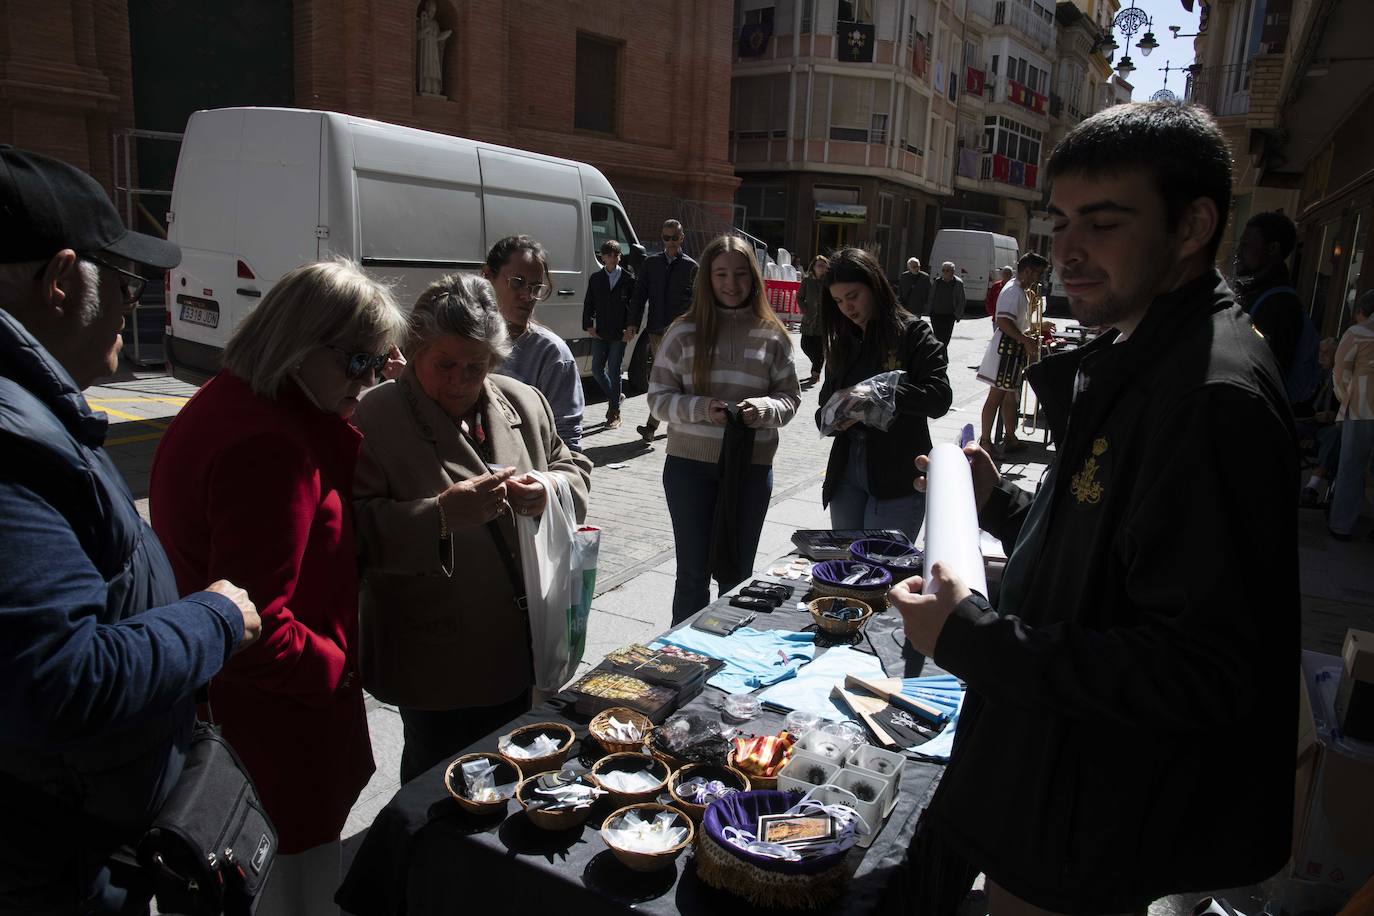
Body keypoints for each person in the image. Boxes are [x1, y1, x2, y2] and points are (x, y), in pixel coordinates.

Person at [892, 102, 1297, 914]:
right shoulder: (1140, 345)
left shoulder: (1209, 394)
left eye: (1103, 223)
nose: (1067, 251)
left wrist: (972, 638)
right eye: (1062, 220)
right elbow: (1111, 536)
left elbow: (1201, 671)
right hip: (1048, 785)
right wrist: (1000, 501)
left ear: (1192, 226)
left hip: (1089, 814)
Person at [0, 146, 261, 915]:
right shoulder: (11, 448)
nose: (132, 303)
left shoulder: (33, 412)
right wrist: (211, 619)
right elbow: (61, 678)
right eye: (126, 282)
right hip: (57, 866)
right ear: (60, 281)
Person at [150, 259, 406, 915]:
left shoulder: (241, 402)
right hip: (276, 739)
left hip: (255, 720)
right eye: (359, 362)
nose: (373, 379)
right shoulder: (268, 444)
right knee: (296, 894)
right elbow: (255, 625)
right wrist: (337, 668)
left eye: (382, 362)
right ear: (300, 345)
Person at [352, 274, 592, 782]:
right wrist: (438, 516)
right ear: (414, 350)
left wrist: (547, 489)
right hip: (436, 657)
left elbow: (573, 470)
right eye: (445, 365)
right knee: (435, 779)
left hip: (522, 645)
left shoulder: (522, 402)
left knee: (510, 770)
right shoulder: (375, 417)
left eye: (476, 366)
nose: (461, 380)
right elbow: (353, 528)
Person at [648, 235, 800, 623]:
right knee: (692, 575)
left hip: (750, 468)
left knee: (737, 575)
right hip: (689, 467)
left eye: (739, 274)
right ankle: (680, 660)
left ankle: (727, 655)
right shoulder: (683, 332)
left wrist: (763, 408)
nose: (731, 283)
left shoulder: (774, 335)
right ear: (707, 279)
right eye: (720, 274)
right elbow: (657, 399)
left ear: (753, 278)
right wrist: (702, 408)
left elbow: (789, 399)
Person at [818, 248, 952, 542]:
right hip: (846, 472)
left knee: (882, 571)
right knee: (846, 567)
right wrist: (837, 415)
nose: (847, 308)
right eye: (839, 301)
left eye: (853, 296)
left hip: (897, 471)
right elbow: (822, 412)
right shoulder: (843, 342)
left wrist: (881, 394)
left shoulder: (913, 333)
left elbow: (939, 397)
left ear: (875, 286)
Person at [485, 235, 584, 451]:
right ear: (487, 276)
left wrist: (545, 483)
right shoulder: (464, 340)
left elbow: (567, 444)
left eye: (536, 287)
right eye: (518, 283)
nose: (528, 296)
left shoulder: (551, 355)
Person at [975, 253, 1050, 455]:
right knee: (996, 397)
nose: (1038, 279)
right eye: (1037, 274)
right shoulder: (1013, 291)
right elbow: (1003, 321)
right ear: (1027, 271)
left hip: (1012, 349)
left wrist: (1035, 328)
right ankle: (985, 441)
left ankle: (1010, 437)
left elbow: (1017, 322)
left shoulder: (1020, 291)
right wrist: (1025, 340)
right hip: (1005, 350)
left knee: (1010, 397)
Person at [631, 219, 698, 442]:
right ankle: (663, 421)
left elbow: (698, 303)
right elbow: (639, 296)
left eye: (674, 237)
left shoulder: (691, 267)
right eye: (666, 238)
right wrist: (632, 323)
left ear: (682, 238)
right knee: (664, 378)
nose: (670, 242)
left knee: (668, 378)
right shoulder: (651, 264)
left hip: (680, 334)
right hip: (656, 330)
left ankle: (653, 425)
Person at [1235, 210, 1304, 380]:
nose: (1238, 253)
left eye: (1246, 245)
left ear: (1272, 248)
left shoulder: (1278, 305)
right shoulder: (1261, 293)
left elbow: (1261, 375)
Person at [1328, 290, 1374, 540]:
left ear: (1361, 311)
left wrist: (1345, 397)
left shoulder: (1357, 332)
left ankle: (1341, 525)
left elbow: (1341, 370)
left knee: (1351, 465)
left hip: (1361, 406)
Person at [583, 238, 636, 428]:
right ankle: (616, 396)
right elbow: (589, 303)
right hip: (600, 332)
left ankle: (614, 414)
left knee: (614, 371)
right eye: (609, 255)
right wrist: (588, 325)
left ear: (619, 257)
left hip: (620, 333)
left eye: (616, 255)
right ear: (603, 257)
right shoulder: (596, 279)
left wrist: (631, 328)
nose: (612, 258)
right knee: (597, 369)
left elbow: (634, 308)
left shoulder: (628, 280)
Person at [1298, 337, 1341, 508]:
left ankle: (1313, 485)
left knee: (1336, 434)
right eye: (1320, 353)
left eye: (1325, 354)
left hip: (1331, 427)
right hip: (1312, 424)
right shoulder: (1318, 376)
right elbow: (1306, 405)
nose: (1320, 358)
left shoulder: (1342, 379)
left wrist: (1334, 415)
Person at [798, 254, 829, 386]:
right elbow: (800, 298)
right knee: (805, 345)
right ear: (814, 267)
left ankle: (815, 373)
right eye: (819, 265)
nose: (821, 268)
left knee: (820, 349)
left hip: (822, 322)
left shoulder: (828, 283)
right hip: (809, 321)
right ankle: (816, 363)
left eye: (823, 265)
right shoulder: (807, 281)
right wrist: (805, 310)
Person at [927, 261, 965, 349]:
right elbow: (931, 297)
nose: (945, 272)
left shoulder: (958, 283)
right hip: (936, 314)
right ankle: (942, 357)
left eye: (947, 270)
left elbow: (961, 300)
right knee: (937, 337)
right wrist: (930, 311)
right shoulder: (938, 281)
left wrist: (956, 315)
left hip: (949, 316)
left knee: (945, 339)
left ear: (952, 271)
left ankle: (942, 357)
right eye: (943, 270)